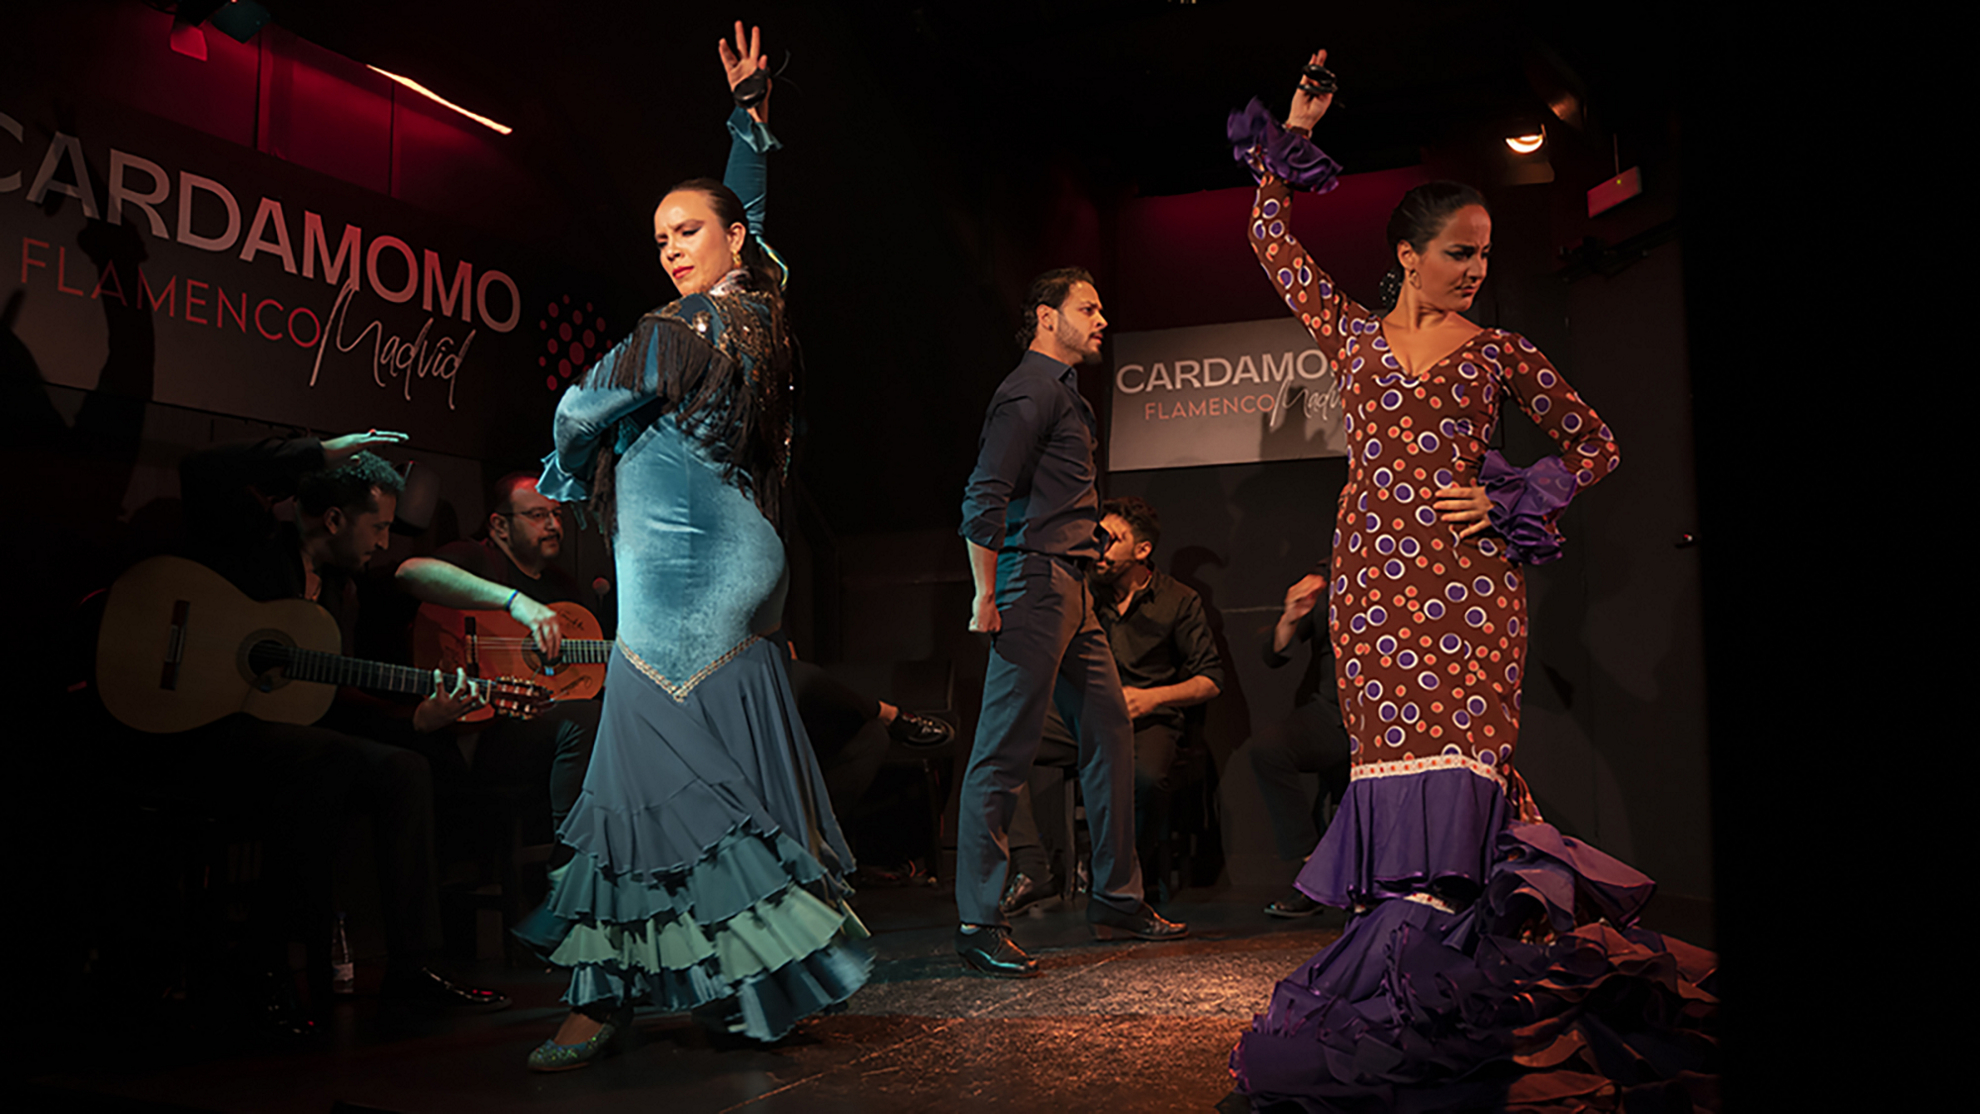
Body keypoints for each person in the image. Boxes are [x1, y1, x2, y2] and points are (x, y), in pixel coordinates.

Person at [1223, 51, 1715, 1109]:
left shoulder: (1499, 354)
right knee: (1392, 776)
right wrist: (1292, 134)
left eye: (1485, 254)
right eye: (1459, 252)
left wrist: (1510, 495)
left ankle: (1455, 991)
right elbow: (1271, 241)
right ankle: (1402, 993)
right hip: (1372, 590)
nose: (1477, 269)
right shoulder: (1350, 336)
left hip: (1470, 591)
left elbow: (1595, 443)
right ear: (1406, 256)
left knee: (1464, 775)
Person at [513, 24, 869, 1072]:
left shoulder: (670, 333)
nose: (670, 247)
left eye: (686, 231)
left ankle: (598, 1001)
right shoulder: (761, 314)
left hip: (677, 599)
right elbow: (748, 218)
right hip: (747, 586)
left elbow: (580, 404)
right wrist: (750, 121)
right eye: (659, 234)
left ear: (723, 248)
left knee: (632, 800)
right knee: (730, 805)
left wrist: (570, 461)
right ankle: (750, 996)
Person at [169, 433, 511, 1022]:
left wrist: (420, 720)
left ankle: (412, 966)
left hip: (288, 741)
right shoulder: (251, 540)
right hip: (202, 724)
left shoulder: (337, 592)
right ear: (333, 518)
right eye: (377, 527)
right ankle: (265, 965)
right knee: (320, 762)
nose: (384, 541)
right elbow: (202, 467)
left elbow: (328, 702)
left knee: (403, 766)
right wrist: (317, 454)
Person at [956, 268, 1186, 979]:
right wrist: (984, 594)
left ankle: (1116, 896)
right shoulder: (1027, 390)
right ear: (1047, 317)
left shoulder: (1061, 395)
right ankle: (977, 918)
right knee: (1004, 749)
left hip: (1073, 586)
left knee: (1110, 730)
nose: (1101, 318)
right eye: (1088, 307)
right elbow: (983, 495)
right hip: (1034, 582)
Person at [1002, 496, 1224, 913]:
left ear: (1142, 550)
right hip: (1087, 713)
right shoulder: (1083, 589)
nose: (1098, 548)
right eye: (1095, 538)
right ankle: (1034, 868)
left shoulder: (1179, 600)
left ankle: (1116, 877)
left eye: (1111, 540)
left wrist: (1149, 698)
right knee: (1010, 736)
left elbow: (1211, 680)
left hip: (1146, 718)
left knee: (1143, 777)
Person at [395, 474, 606, 840]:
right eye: (538, 515)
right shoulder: (477, 558)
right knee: (587, 717)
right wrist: (515, 602)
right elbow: (410, 572)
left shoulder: (563, 587)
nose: (554, 525)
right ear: (499, 525)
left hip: (530, 730)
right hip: (477, 735)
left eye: (557, 514)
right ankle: (568, 855)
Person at [1227, 566, 1352, 918]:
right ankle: (1314, 870)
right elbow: (1277, 654)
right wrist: (1291, 616)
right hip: (1331, 714)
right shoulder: (1335, 582)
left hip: (1387, 718)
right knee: (1269, 749)